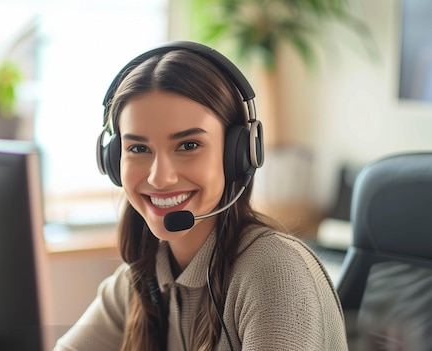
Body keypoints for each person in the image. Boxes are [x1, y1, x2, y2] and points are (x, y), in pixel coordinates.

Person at [54, 41, 347, 351]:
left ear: (237, 153)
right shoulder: (141, 281)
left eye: (188, 145)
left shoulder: (275, 273)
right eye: (138, 148)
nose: (159, 177)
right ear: (113, 161)